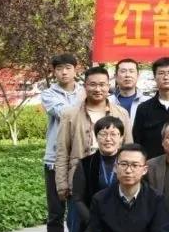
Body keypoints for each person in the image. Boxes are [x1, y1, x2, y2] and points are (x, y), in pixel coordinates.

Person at [56, 66, 133, 221]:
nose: (98, 89)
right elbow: (62, 151)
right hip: (80, 179)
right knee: (77, 227)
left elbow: (129, 148)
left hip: (113, 179)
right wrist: (61, 183)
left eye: (102, 84)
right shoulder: (70, 114)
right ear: (85, 86)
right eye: (93, 84)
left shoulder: (121, 113)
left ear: (108, 86)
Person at [66, 115, 125, 232]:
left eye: (114, 134)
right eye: (103, 134)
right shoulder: (85, 163)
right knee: (74, 229)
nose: (108, 139)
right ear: (95, 137)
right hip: (90, 213)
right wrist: (93, 220)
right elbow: (78, 198)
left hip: (121, 213)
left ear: (121, 138)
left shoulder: (128, 162)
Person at [42, 53, 84, 232]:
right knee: (55, 212)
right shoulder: (48, 94)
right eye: (59, 68)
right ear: (54, 72)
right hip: (54, 160)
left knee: (79, 211)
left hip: (80, 159)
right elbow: (63, 113)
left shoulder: (85, 91)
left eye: (68, 67)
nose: (64, 72)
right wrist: (86, 107)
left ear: (76, 69)